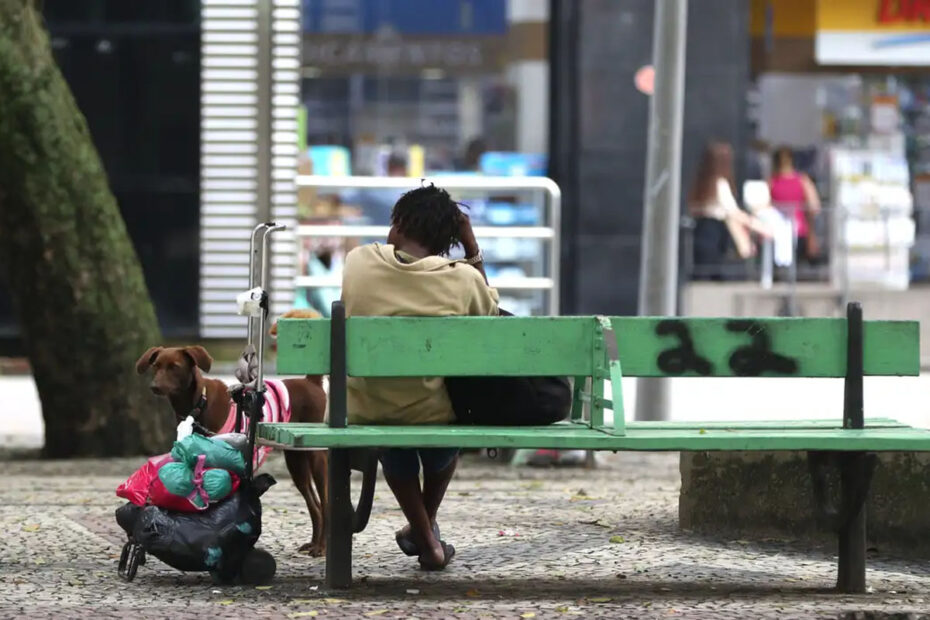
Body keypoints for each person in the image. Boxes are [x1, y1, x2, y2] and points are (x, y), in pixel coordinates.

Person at [340, 184, 498, 571]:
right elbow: (493, 321)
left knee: (395, 429)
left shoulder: (357, 262)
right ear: (447, 241)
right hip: (432, 411)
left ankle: (424, 534)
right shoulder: (462, 279)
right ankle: (426, 537)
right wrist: (471, 244)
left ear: (397, 225)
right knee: (439, 428)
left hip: (367, 406)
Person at [688, 141, 771, 279]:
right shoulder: (720, 184)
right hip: (714, 232)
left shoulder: (701, 184)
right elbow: (732, 211)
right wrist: (758, 226)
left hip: (701, 231)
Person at [768, 146, 822, 264]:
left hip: (777, 230)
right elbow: (814, 206)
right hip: (798, 229)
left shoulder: (772, 182)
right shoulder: (803, 180)